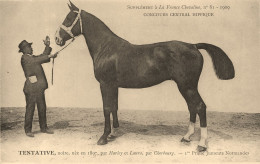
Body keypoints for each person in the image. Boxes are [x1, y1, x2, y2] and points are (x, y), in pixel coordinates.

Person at [19, 36, 58, 137]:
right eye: (29, 47)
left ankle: (44, 128)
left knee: (42, 108)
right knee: (30, 109)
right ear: (24, 50)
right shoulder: (25, 58)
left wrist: (47, 46)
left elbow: (42, 56)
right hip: (31, 89)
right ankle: (28, 131)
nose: (31, 48)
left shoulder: (32, 57)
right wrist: (50, 56)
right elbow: (39, 60)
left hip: (38, 88)